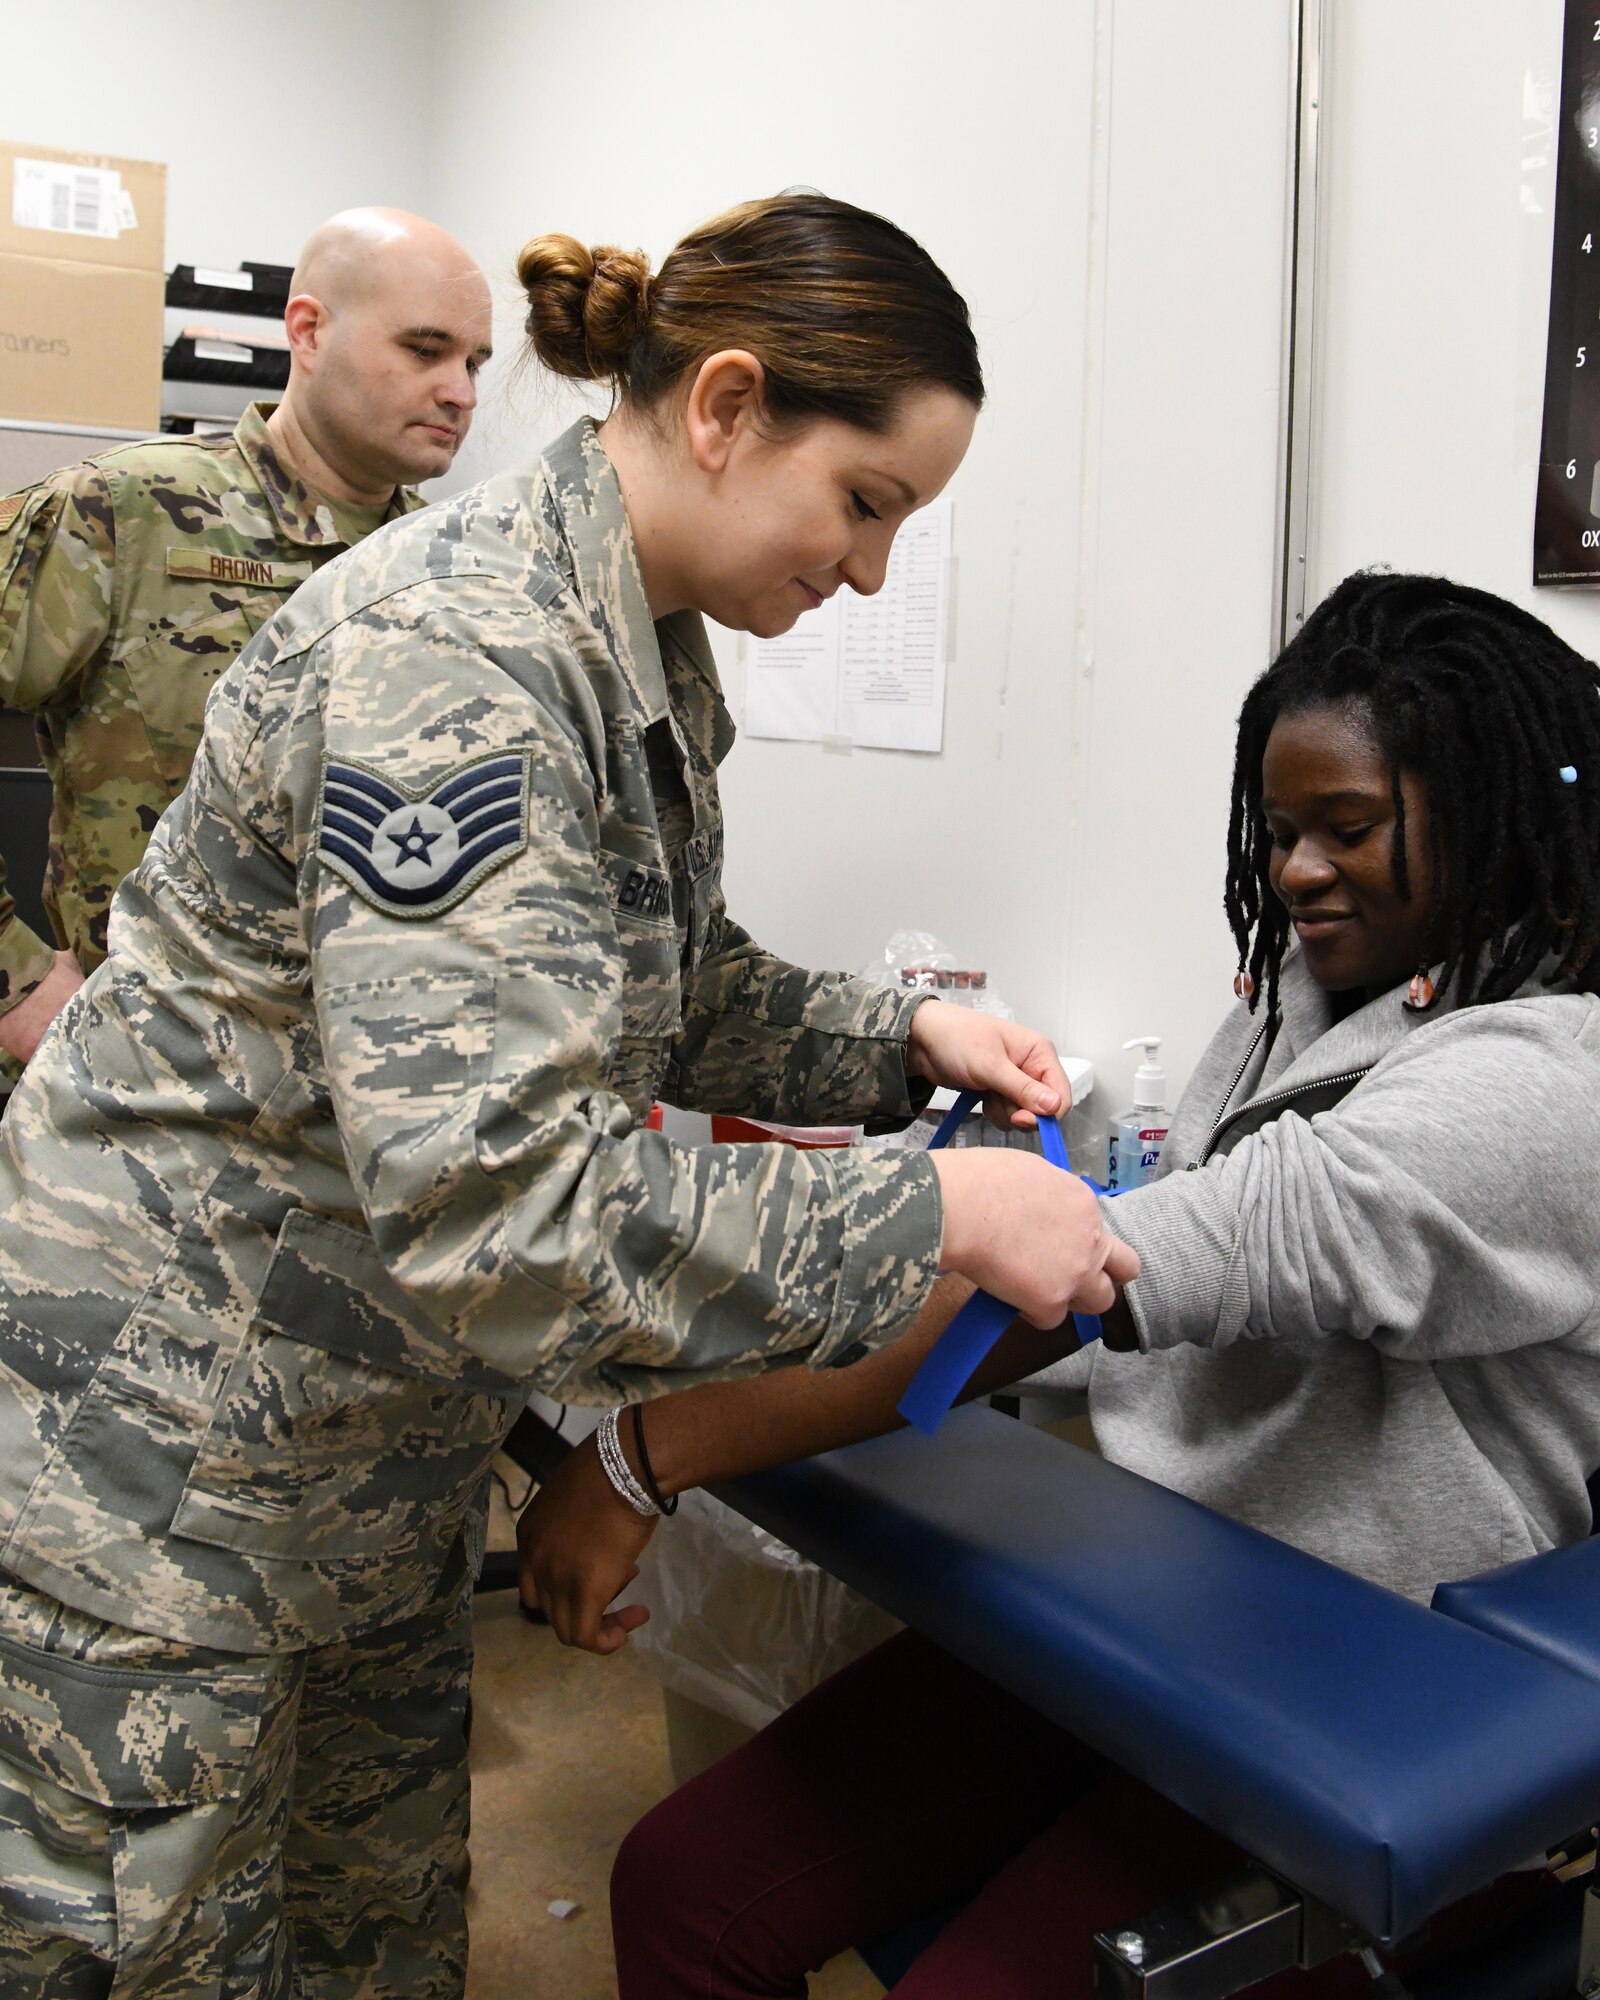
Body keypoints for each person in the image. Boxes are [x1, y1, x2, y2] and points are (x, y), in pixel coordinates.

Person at [0, 192, 1133, 1998]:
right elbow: (500, 1201)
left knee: (367, 1949)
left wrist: (904, 1040)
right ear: (727, 404)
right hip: (163, 1478)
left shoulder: (638, 636)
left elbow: (660, 985)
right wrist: (940, 1209)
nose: (869, 576)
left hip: (359, 1468)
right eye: (866, 505)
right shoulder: (462, 653)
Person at [582, 571, 1600, 1998]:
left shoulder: (1541, 1093)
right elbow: (1131, 1266)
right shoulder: (1312, 989)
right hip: (1162, 1603)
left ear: (1498, 813)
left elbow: (1095, 1269)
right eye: (1283, 829)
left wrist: (646, 1454)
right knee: (684, 1889)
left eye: (1350, 829)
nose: (1301, 869)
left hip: (1358, 1681)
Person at [0, 205, 493, 1068]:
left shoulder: (453, 570)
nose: (461, 391)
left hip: (362, 1104)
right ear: (307, 331)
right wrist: (14, 983)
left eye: (474, 363)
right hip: (145, 1090)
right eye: (425, 350)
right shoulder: (126, 512)